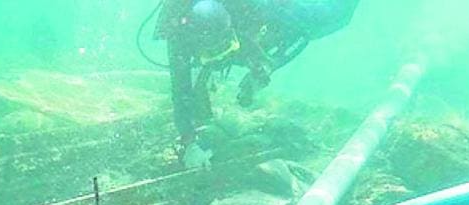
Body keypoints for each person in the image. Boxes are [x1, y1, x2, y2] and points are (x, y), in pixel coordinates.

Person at [149, 0, 360, 167]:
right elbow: (181, 91)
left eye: (226, 47)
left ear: (232, 28)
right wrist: (189, 144)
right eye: (211, 54)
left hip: (250, 18)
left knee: (334, 17)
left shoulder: (256, 7)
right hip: (225, 30)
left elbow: (300, 34)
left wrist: (265, 66)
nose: (220, 59)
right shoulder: (178, 40)